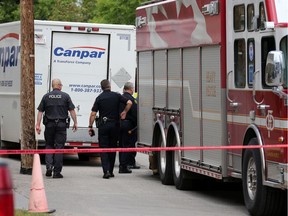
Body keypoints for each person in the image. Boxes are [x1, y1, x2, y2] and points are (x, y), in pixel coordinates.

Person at [88, 79, 132, 179]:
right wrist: (124, 112)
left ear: (102, 87)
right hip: (115, 125)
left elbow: (93, 113)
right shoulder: (116, 95)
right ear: (110, 86)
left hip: (103, 125)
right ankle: (111, 171)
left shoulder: (99, 98)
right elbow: (129, 102)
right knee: (112, 148)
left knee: (104, 148)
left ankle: (106, 170)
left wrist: (90, 126)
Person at [35, 79, 78, 179]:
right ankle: (57, 172)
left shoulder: (46, 96)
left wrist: (38, 124)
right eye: (61, 85)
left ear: (52, 86)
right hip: (61, 125)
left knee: (49, 145)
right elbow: (72, 110)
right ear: (59, 86)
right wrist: (75, 122)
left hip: (49, 125)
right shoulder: (65, 96)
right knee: (59, 148)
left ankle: (49, 167)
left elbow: (40, 112)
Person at [119, 82, 140, 172]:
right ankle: (126, 164)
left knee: (121, 145)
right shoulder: (132, 100)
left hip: (120, 124)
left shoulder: (120, 98)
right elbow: (135, 114)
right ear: (131, 89)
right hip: (129, 126)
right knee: (128, 145)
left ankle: (123, 163)